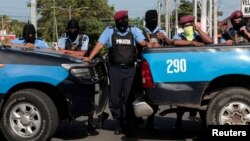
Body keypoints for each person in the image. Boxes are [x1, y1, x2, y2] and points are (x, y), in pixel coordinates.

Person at [84, 10, 151, 135]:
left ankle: (127, 125)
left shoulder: (133, 30)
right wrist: (89, 57)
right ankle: (119, 123)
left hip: (131, 70)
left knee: (128, 99)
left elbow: (143, 42)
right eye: (120, 21)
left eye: (125, 20)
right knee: (114, 100)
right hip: (115, 70)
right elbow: (99, 44)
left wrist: (150, 44)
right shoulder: (109, 31)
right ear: (116, 22)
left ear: (127, 19)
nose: (123, 23)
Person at [57, 19, 98, 135]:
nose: (72, 31)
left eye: (74, 29)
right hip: (66, 70)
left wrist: (66, 51)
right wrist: (71, 53)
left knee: (90, 95)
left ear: (78, 29)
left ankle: (90, 123)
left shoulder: (84, 37)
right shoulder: (63, 37)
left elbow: (82, 54)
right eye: (70, 29)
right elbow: (60, 53)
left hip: (82, 70)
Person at [172, 15, 212, 129]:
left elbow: (209, 41)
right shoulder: (179, 36)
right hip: (185, 72)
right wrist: (192, 43)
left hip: (200, 72)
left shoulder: (198, 36)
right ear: (182, 27)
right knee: (182, 100)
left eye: (190, 25)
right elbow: (175, 42)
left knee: (201, 99)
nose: (188, 27)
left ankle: (205, 124)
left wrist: (199, 29)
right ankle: (178, 122)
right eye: (185, 26)